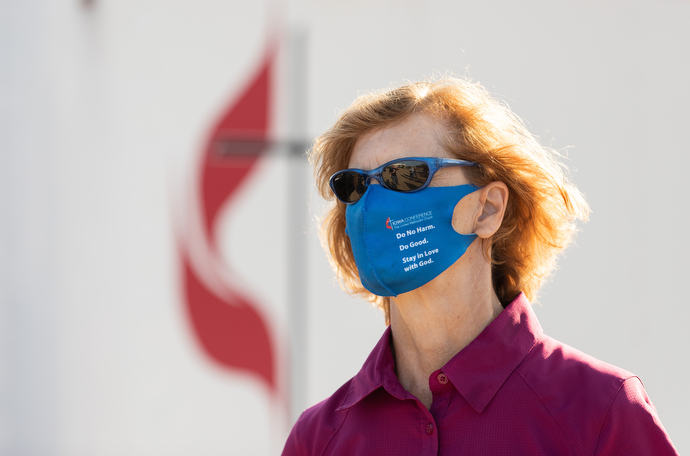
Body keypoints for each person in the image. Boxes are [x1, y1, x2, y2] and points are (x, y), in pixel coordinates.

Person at [282, 78, 678, 455]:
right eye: (353, 185)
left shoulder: (600, 411)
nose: (371, 204)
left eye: (405, 176)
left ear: (487, 209)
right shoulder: (318, 439)